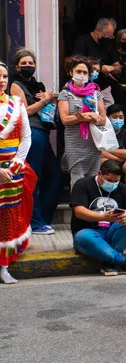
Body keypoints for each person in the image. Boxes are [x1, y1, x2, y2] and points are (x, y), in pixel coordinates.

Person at [10, 48, 62, 235]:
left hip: (44, 133)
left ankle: (44, 218)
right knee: (34, 178)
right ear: (17, 67)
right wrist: (45, 100)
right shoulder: (16, 85)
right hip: (31, 133)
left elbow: (46, 108)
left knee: (56, 177)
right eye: (23, 64)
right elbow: (26, 110)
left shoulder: (37, 85)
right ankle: (35, 221)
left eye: (30, 63)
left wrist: (49, 100)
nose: (28, 66)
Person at [70, 160, 126, 276]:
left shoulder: (122, 188)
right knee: (84, 236)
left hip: (111, 232)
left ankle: (109, 262)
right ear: (99, 174)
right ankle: (123, 262)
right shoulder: (82, 184)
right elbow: (79, 211)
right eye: (109, 180)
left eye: (116, 181)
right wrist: (103, 217)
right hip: (88, 233)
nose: (113, 184)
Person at [0, 61, 36, 284]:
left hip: (13, 170)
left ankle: (3, 267)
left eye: (4, 76)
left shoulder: (16, 103)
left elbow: (26, 137)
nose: (2, 80)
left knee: (8, 217)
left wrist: (14, 166)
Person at [58, 56, 106, 189]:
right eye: (79, 71)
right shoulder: (65, 94)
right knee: (77, 184)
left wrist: (89, 117)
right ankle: (77, 209)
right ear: (71, 72)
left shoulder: (96, 94)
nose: (82, 75)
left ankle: (89, 209)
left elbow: (102, 120)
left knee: (93, 183)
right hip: (75, 146)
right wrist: (87, 116)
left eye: (85, 73)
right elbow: (65, 120)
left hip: (93, 145)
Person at [72, 18, 121, 107]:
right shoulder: (83, 41)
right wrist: (99, 67)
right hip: (85, 85)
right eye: (106, 36)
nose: (108, 39)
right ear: (98, 30)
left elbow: (118, 67)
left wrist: (112, 68)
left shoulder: (108, 46)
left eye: (111, 37)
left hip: (103, 88)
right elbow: (76, 61)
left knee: (110, 110)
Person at [101, 104, 126, 188]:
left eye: (121, 117)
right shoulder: (101, 133)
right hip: (109, 164)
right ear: (108, 118)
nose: (118, 120)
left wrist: (109, 149)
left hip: (123, 166)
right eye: (115, 117)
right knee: (101, 160)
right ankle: (105, 189)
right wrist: (118, 158)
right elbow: (100, 152)